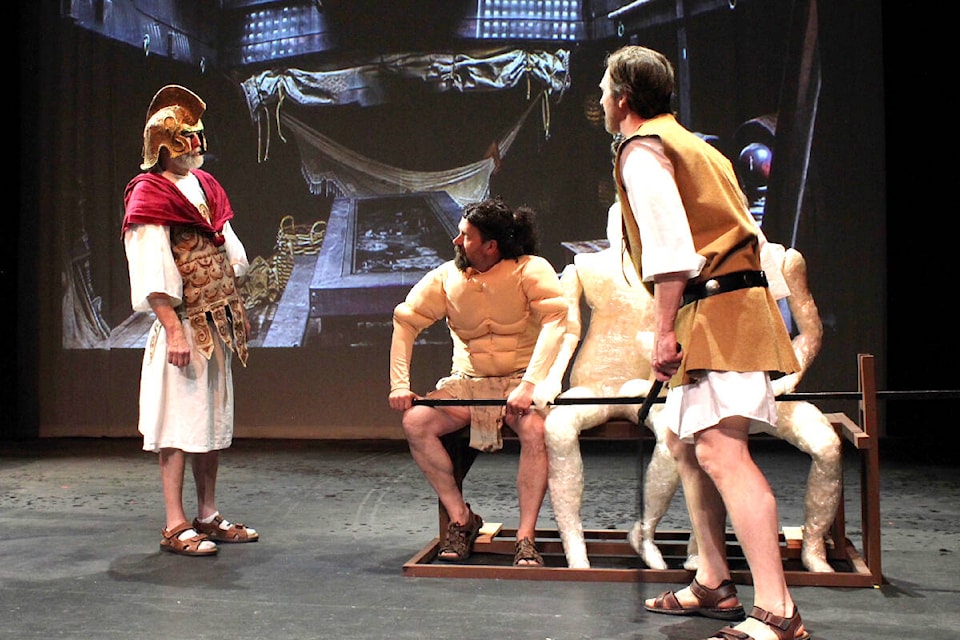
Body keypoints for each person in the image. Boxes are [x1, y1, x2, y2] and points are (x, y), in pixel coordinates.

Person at [600, 46, 809, 640]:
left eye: (602, 90)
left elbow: (670, 252)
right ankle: (714, 579)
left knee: (721, 451)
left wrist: (664, 332)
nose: (599, 100)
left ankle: (778, 609)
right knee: (684, 441)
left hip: (717, 311)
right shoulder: (692, 145)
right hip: (725, 306)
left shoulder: (644, 151)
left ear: (622, 100)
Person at [388, 197, 568, 567]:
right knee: (416, 422)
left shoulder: (530, 270)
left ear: (491, 245)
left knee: (536, 433)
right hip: (469, 385)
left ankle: (526, 536)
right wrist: (399, 384)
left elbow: (556, 322)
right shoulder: (446, 279)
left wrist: (531, 384)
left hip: (520, 382)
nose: (456, 241)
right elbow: (405, 321)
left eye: (466, 236)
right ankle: (461, 519)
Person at [121, 85, 259, 557]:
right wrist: (174, 328)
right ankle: (175, 523)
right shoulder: (148, 195)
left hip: (214, 324)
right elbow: (151, 271)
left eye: (199, 137)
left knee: (210, 423)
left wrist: (235, 310)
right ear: (162, 144)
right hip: (181, 325)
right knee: (178, 425)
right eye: (186, 139)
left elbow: (228, 254)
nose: (197, 146)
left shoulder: (205, 187)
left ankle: (207, 514)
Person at [539, 202, 685, 570]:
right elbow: (567, 330)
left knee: (674, 435)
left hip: (647, 384)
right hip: (594, 381)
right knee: (557, 426)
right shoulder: (585, 267)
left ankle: (646, 531)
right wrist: (552, 379)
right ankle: (574, 542)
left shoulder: (669, 273)